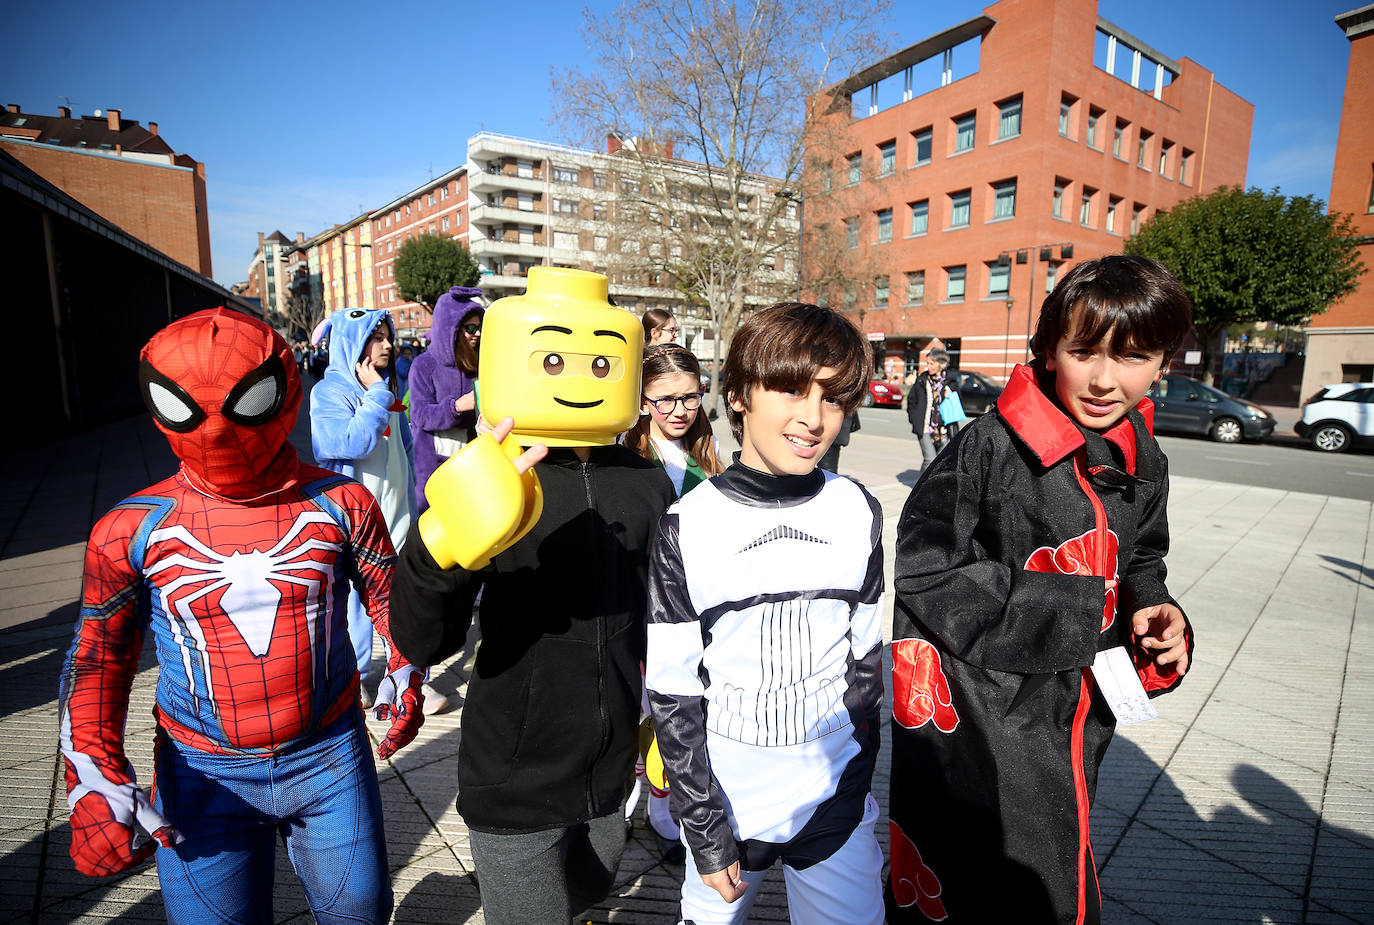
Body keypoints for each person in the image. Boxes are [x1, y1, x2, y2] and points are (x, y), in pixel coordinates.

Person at [57, 308, 426, 923]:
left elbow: (390, 601)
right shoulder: (128, 529)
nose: (218, 433)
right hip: (199, 769)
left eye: (240, 404)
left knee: (358, 916)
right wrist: (92, 775)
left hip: (329, 754)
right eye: (190, 409)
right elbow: (99, 658)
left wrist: (407, 667)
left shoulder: (343, 503)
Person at [887, 255, 1195, 923]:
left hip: (1083, 698)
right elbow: (923, 563)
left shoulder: (1142, 449)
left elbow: (1144, 550)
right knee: (1011, 877)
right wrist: (1074, 606)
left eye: (1134, 356)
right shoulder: (991, 445)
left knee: (1064, 842)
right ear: (1052, 344)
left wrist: (1153, 607)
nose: (1105, 379)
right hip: (988, 707)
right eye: (1084, 351)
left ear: (1164, 362)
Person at [389, 268, 677, 925]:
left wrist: (669, 719)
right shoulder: (490, 472)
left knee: (588, 889)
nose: (578, 375)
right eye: (553, 357)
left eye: (601, 360)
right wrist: (441, 541)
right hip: (512, 775)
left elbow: (668, 615)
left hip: (609, 771)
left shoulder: (647, 483)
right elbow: (422, 640)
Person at [646, 301, 886, 925]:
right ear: (739, 395)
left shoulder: (858, 509)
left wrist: (855, 786)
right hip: (729, 803)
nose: (812, 418)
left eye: (833, 398)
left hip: (833, 799)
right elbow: (671, 691)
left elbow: (866, 668)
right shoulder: (690, 523)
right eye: (788, 390)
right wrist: (701, 825)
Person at [310, 307, 445, 712]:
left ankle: (406, 678)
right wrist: (375, 397)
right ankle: (356, 679)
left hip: (396, 519)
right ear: (354, 342)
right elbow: (346, 444)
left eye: (388, 335)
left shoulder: (384, 385)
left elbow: (401, 447)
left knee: (402, 601)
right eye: (377, 336)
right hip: (352, 524)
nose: (388, 344)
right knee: (353, 604)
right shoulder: (328, 392)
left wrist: (415, 499)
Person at [621, 344, 725, 848]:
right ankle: (640, 795)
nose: (680, 410)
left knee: (681, 705)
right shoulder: (628, 458)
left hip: (695, 604)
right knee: (645, 704)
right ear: (642, 402)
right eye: (665, 400)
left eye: (690, 397)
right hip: (643, 605)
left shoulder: (707, 454)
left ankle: (665, 797)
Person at [407, 286, 483, 514]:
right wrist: (458, 406)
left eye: (480, 328)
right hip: (432, 468)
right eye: (470, 328)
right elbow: (420, 415)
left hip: (471, 466)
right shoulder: (424, 365)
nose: (477, 334)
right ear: (452, 329)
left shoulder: (479, 362)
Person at [905, 347, 955, 466]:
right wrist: (915, 419)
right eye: (927, 363)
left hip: (943, 428)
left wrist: (952, 395)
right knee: (930, 459)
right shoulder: (922, 380)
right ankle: (922, 485)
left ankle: (931, 484)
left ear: (941, 364)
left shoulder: (950, 382)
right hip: (925, 427)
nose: (928, 366)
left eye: (931, 363)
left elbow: (960, 402)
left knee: (939, 463)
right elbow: (911, 401)